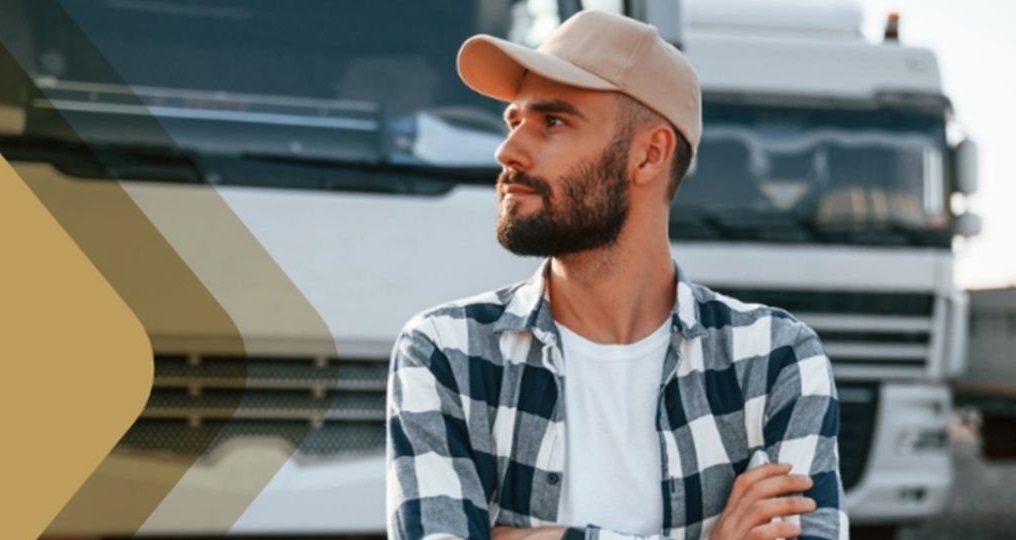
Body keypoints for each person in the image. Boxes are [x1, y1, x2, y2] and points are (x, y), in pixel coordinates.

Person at [385, 10, 846, 540]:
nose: (507, 151)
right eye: (514, 122)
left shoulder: (774, 358)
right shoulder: (448, 352)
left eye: (553, 122)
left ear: (649, 155)